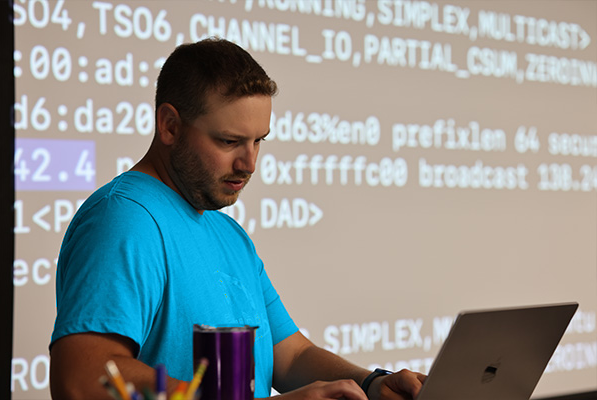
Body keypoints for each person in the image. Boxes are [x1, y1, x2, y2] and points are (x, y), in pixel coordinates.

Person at [49, 38, 426, 400]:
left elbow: (290, 355)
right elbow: (83, 381)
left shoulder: (228, 232)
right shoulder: (124, 219)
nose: (249, 164)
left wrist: (372, 384)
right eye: (229, 142)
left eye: (258, 140)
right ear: (169, 125)